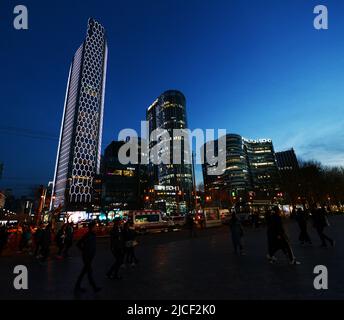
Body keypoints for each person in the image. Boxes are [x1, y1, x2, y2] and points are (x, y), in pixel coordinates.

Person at [75, 221, 101, 293]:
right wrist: (84, 250)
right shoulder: (88, 235)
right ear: (92, 227)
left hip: (89, 256)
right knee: (88, 272)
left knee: (86, 271)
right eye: (95, 227)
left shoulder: (92, 235)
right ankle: (94, 287)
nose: (96, 228)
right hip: (87, 256)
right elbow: (78, 243)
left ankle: (78, 286)